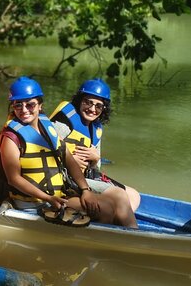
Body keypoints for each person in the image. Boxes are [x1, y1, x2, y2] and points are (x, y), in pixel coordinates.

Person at [0, 76, 137, 228]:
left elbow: (67, 158)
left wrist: (85, 190)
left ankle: (96, 243)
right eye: (18, 105)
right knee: (104, 210)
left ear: (40, 105)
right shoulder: (11, 138)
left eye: (30, 105)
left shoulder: (48, 127)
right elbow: (14, 179)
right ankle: (89, 246)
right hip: (33, 203)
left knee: (106, 206)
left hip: (56, 196)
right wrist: (48, 198)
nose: (24, 110)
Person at [50, 78, 141, 211]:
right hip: (64, 178)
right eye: (88, 102)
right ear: (79, 101)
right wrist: (69, 160)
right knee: (119, 196)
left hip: (85, 177)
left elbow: (95, 170)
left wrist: (96, 158)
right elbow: (42, 151)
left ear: (104, 108)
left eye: (98, 106)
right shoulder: (64, 122)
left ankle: (121, 221)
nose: (92, 109)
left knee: (134, 195)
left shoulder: (96, 129)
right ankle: (125, 226)